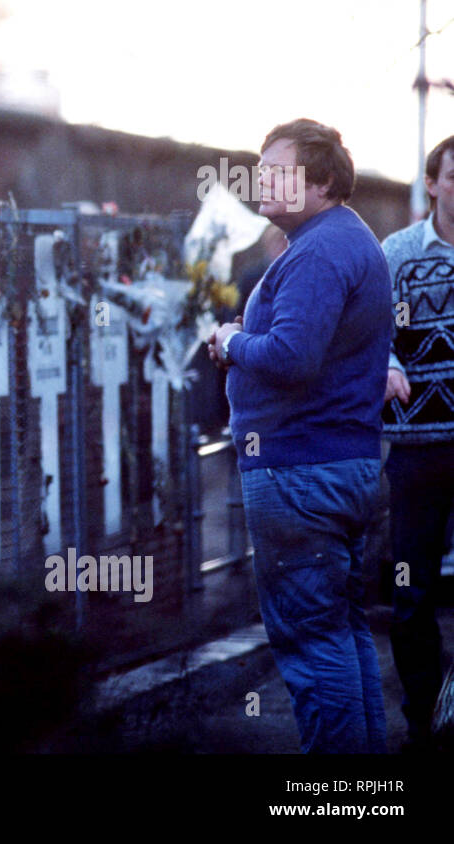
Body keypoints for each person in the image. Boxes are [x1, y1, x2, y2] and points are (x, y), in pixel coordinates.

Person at [207, 119, 392, 753]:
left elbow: (292, 356)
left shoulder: (317, 251)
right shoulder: (340, 239)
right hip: (333, 466)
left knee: (313, 646)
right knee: (340, 634)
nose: (261, 181)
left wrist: (233, 340)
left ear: (320, 182)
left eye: (276, 171)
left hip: (299, 474)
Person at [379, 132, 454, 752]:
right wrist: (386, 363)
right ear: (432, 184)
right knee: (410, 590)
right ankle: (424, 723)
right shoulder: (398, 254)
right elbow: (369, 330)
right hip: (417, 450)